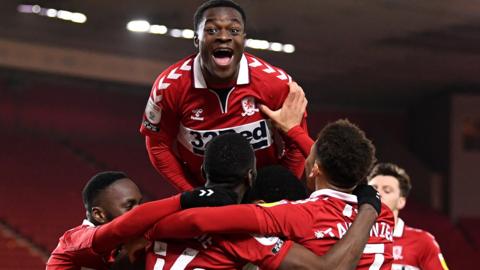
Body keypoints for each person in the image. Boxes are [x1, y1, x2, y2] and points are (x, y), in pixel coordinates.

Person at [146, 120, 395, 269]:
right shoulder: (381, 213)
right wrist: (294, 130)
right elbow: (341, 165)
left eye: (311, 154)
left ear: (315, 167)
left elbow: (199, 221)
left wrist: (149, 227)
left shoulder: (294, 214)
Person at [139, 0, 307, 191]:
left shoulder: (277, 84)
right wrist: (193, 193)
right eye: (211, 30)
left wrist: (278, 193)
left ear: (243, 39)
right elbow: (157, 145)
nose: (224, 37)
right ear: (196, 39)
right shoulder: (168, 87)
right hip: (206, 194)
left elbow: (296, 145)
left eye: (234, 31)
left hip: (261, 197)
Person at [46, 171, 236, 270]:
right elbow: (120, 228)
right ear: (99, 215)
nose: (138, 212)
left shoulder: (129, 246)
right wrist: (186, 199)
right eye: (129, 206)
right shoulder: (72, 242)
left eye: (140, 203)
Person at [368, 163, 449, 270]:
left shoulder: (423, 242)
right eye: (373, 188)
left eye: (387, 190)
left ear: (401, 202)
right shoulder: (348, 235)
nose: (377, 194)